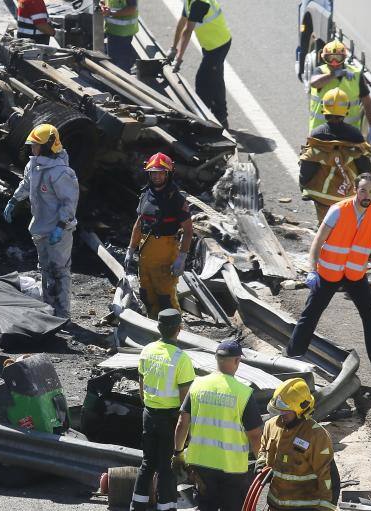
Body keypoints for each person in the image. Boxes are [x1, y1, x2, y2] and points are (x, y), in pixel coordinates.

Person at [285, 173, 371, 383]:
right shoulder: (338, 210)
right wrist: (312, 270)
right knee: (310, 314)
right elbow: (318, 241)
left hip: (355, 274)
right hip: (330, 272)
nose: (367, 195)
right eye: (363, 190)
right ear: (355, 190)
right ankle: (292, 357)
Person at [172, 339, 263, 511]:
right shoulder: (243, 393)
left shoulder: (197, 385)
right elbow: (255, 435)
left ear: (216, 358)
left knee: (206, 507)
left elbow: (182, 423)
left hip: (201, 465)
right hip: (232, 468)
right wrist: (261, 462)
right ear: (237, 361)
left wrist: (178, 453)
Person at [3, 124, 79, 318]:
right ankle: (50, 310)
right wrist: (14, 199)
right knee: (45, 269)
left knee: (60, 271)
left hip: (58, 231)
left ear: (48, 146)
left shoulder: (61, 172)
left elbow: (69, 203)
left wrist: (61, 227)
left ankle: (62, 315)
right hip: (41, 227)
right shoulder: (34, 166)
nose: (32, 149)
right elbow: (26, 183)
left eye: (36, 145)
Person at [131, 309, 195, 511]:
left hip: (149, 414)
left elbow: (141, 385)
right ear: (179, 329)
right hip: (170, 418)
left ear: (159, 328)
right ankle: (165, 507)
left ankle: (137, 505)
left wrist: (150, 406)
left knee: (148, 463)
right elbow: (186, 401)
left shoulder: (147, 350)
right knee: (167, 466)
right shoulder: (181, 358)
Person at [125, 153, 193, 319]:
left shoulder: (176, 198)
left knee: (166, 298)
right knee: (146, 293)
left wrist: (181, 258)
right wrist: (131, 249)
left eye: (161, 173)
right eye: (153, 172)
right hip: (146, 252)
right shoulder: (145, 194)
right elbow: (139, 224)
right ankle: (154, 329)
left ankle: (174, 334)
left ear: (168, 174)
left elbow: (188, 230)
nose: (157, 176)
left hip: (166, 252)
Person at [256, 378, 336, 511]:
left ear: (300, 409)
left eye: (286, 410)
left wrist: (325, 508)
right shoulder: (271, 425)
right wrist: (261, 462)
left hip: (305, 507)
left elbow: (327, 477)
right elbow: (264, 449)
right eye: (279, 410)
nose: (281, 414)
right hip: (275, 504)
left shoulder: (316, 435)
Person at [299, 87, 371, 224]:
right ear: (346, 111)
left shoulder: (317, 135)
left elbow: (307, 164)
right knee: (345, 227)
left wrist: (304, 186)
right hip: (347, 196)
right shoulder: (355, 136)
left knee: (325, 228)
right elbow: (365, 168)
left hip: (321, 196)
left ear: (324, 110)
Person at [168, 0, 231, 128]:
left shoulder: (199, 3)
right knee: (216, 79)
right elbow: (182, 21)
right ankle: (221, 117)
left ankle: (202, 121)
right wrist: (173, 48)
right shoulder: (189, 1)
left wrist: (178, 59)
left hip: (218, 45)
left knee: (203, 81)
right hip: (211, 44)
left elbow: (188, 30)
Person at [308, 40, 371, 145]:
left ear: (344, 59)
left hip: (349, 135)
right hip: (322, 134)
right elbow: (314, 83)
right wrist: (334, 74)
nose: (334, 62)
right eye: (330, 58)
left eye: (338, 58)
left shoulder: (356, 75)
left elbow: (367, 103)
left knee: (361, 160)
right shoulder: (320, 72)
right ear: (324, 59)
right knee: (308, 160)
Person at [100, 0, 138, 73]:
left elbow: (132, 9)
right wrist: (102, 6)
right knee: (114, 59)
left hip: (123, 32)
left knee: (120, 63)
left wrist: (111, 13)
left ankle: (123, 80)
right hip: (112, 30)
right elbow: (103, 1)